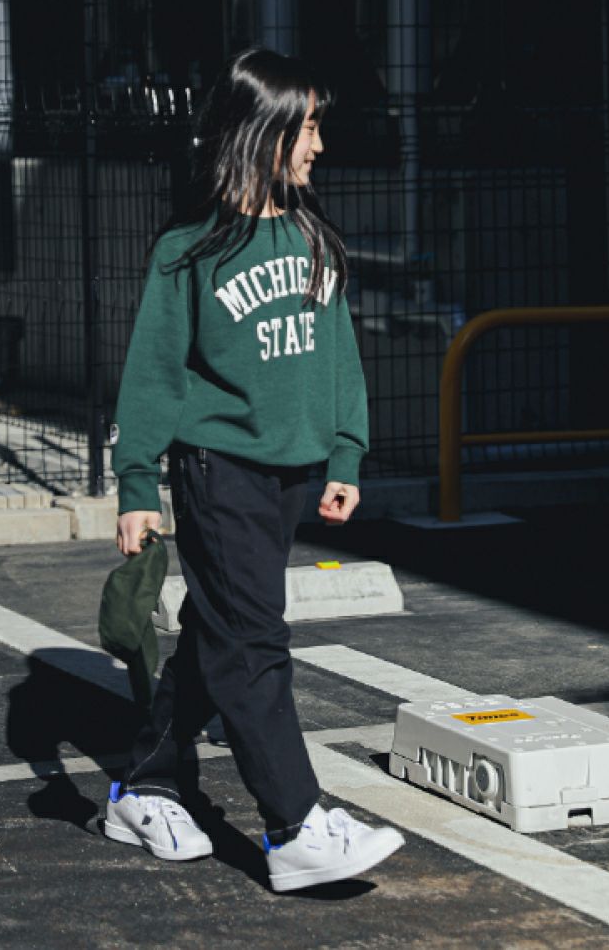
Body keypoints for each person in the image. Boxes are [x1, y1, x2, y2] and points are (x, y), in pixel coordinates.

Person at [103, 48, 404, 893]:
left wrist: (346, 450)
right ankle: (294, 825)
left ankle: (145, 786)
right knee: (255, 641)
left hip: (289, 473)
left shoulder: (312, 235)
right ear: (261, 132)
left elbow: (339, 356)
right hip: (217, 468)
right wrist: (137, 482)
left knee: (219, 631)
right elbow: (154, 374)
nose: (319, 145)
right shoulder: (188, 249)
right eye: (307, 128)